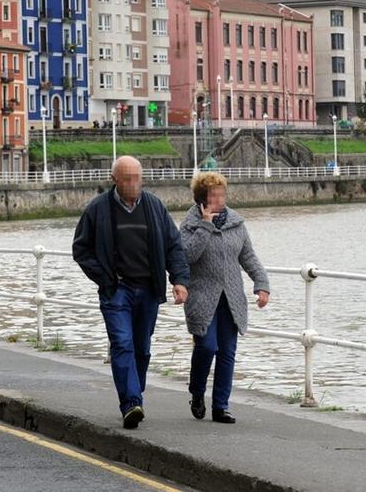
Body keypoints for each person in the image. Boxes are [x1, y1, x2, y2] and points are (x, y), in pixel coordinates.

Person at [72, 156, 189, 429]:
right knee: (122, 344)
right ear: (114, 180)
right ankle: (131, 403)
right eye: (127, 179)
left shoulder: (154, 207)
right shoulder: (98, 209)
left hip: (148, 290)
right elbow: (81, 249)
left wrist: (180, 280)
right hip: (117, 290)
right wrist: (104, 277)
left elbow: (174, 246)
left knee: (142, 348)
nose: (133, 184)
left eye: (137, 178)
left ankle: (135, 394)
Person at [180, 173, 269, 424]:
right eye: (213, 195)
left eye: (222, 194)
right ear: (201, 198)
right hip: (202, 298)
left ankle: (221, 406)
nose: (219, 199)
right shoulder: (189, 225)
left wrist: (261, 285)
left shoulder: (236, 224)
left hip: (231, 299)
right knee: (207, 347)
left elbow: (249, 257)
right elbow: (186, 256)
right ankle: (197, 393)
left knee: (227, 352)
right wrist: (205, 226)